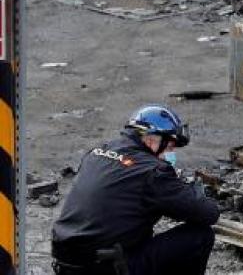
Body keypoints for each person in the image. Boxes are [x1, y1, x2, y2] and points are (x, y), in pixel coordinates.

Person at [52, 105, 220, 275]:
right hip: (105, 267)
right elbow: (208, 214)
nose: (171, 155)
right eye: (169, 148)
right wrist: (193, 192)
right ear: (152, 139)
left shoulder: (96, 153)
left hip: (65, 263)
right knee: (200, 236)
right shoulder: (153, 171)